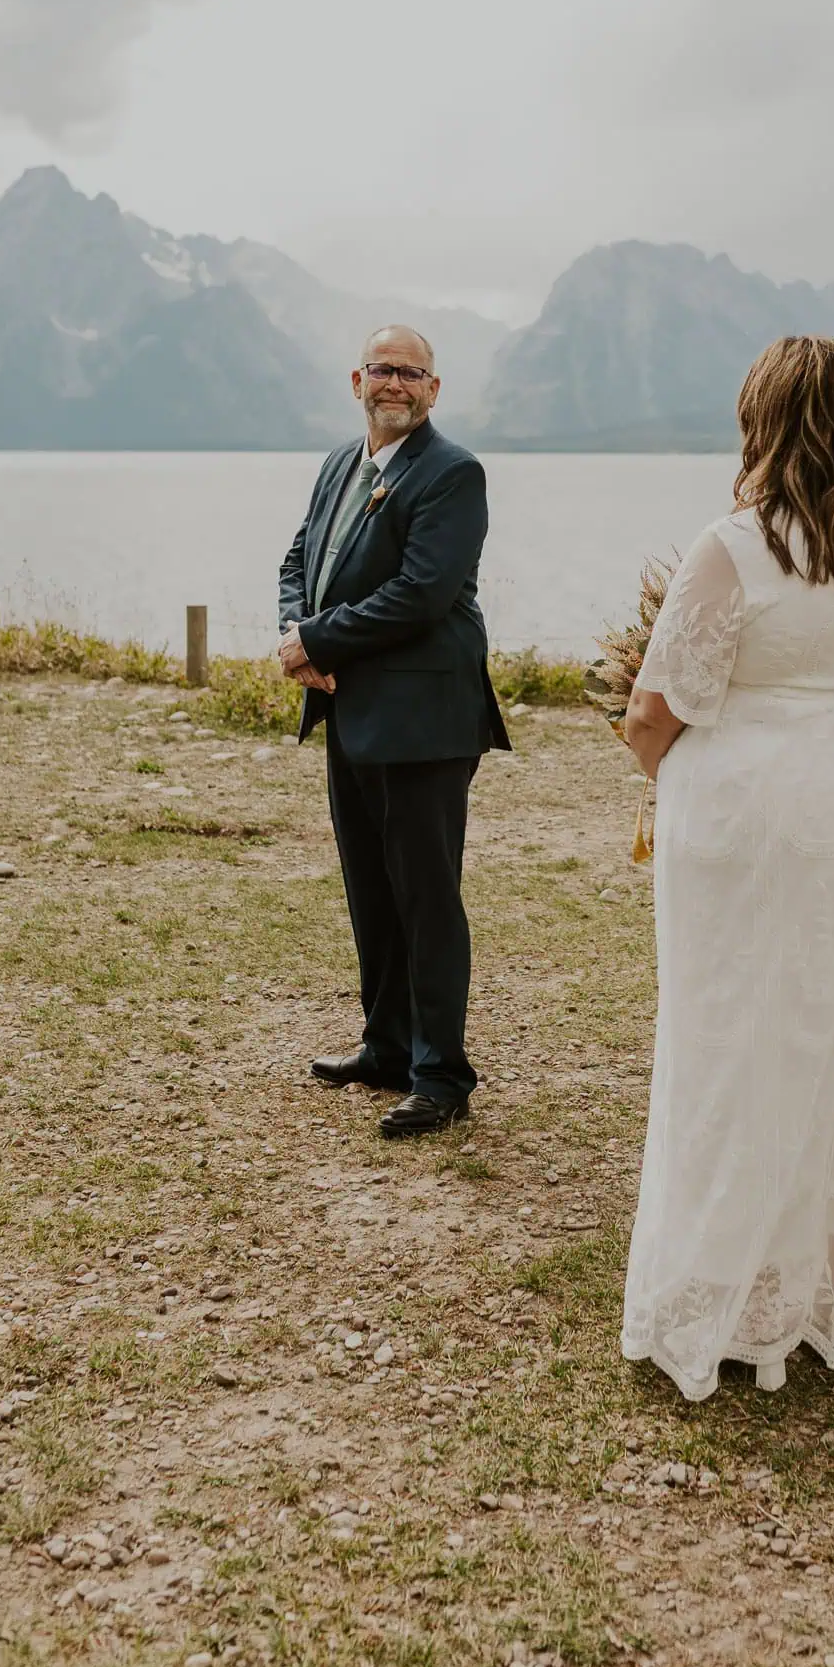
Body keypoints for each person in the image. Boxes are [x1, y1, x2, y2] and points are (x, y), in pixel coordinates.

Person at [620, 335, 834, 1399]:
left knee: (737, 1042)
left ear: (757, 420)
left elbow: (652, 711)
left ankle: (725, 1298)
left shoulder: (735, 546)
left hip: (766, 825)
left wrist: (661, 772)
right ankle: (828, 1304)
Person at [277, 324, 510, 1138]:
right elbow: (299, 560)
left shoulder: (454, 473)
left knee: (426, 897)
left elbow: (422, 591)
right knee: (370, 887)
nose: (396, 385)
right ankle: (384, 1048)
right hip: (350, 709)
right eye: (384, 370)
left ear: (434, 390)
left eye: (413, 373)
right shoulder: (340, 463)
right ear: (357, 379)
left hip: (427, 720)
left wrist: (318, 640)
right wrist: (295, 638)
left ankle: (441, 1073)